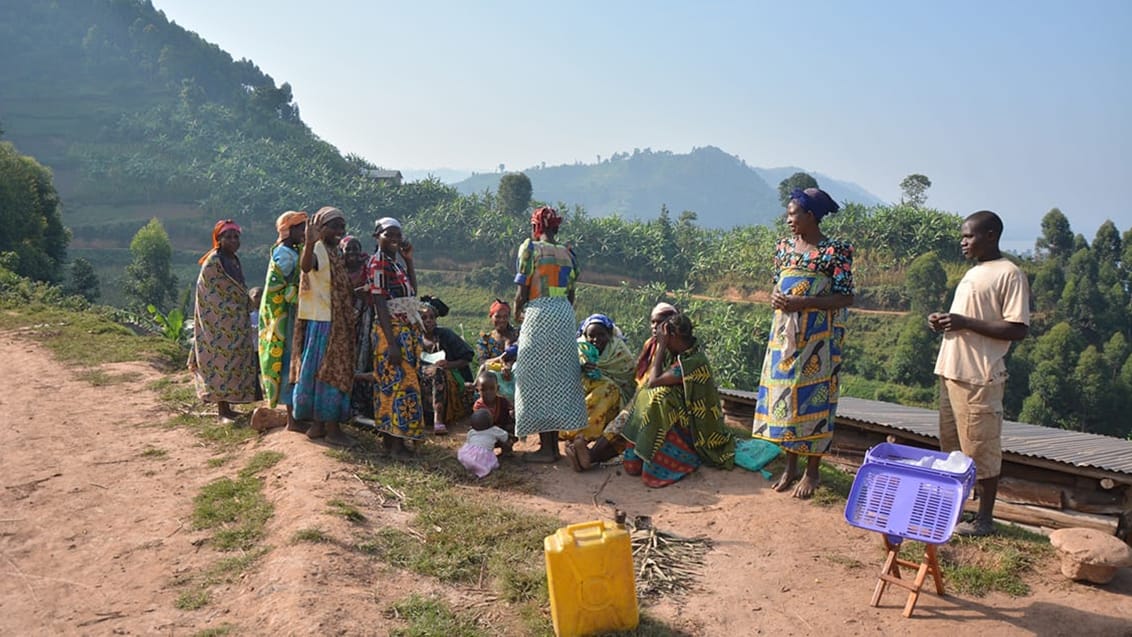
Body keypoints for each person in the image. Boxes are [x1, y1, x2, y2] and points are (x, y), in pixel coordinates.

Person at [929, 210, 1030, 537]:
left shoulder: (1009, 273)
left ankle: (985, 520)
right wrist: (944, 322)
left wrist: (965, 322)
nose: (963, 242)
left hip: (979, 377)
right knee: (954, 449)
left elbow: (1017, 329)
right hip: (952, 371)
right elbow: (967, 318)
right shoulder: (975, 271)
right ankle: (955, 513)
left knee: (981, 450)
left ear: (990, 235)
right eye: (963, 236)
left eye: (969, 236)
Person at [753, 187, 854, 499]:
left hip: (819, 338)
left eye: (793, 214)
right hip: (785, 335)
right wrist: (776, 298)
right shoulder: (784, 248)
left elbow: (846, 296)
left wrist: (804, 303)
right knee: (785, 396)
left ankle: (812, 471)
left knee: (815, 399)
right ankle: (790, 465)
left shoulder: (835, 252)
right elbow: (778, 285)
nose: (788, 220)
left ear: (811, 216)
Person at [620, 314, 735, 487]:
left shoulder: (694, 361)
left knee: (659, 399)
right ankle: (637, 458)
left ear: (672, 337)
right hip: (681, 409)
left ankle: (662, 463)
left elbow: (654, 381)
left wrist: (661, 346)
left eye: (665, 337)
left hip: (696, 422)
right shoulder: (678, 355)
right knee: (645, 394)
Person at [512, 206, 588, 462]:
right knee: (557, 378)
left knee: (534, 377)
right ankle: (551, 446)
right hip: (564, 315)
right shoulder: (568, 253)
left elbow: (522, 289)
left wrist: (516, 312)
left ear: (537, 227)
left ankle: (547, 450)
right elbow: (571, 293)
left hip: (539, 314)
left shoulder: (530, 249)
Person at [566, 302, 678, 471]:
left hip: (667, 400)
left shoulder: (675, 348)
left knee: (625, 419)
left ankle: (590, 456)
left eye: (660, 322)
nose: (655, 327)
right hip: (644, 396)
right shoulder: (651, 344)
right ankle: (589, 456)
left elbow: (654, 381)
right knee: (623, 423)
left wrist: (662, 345)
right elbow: (640, 379)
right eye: (653, 322)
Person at [291, 206, 356, 446]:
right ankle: (331, 428)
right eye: (335, 226)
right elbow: (306, 266)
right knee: (329, 372)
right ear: (321, 227)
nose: (340, 231)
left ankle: (318, 426)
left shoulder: (333, 250)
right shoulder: (318, 249)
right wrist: (309, 243)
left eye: (343, 226)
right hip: (326, 323)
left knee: (319, 372)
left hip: (331, 319)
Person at [188, 219, 259, 423]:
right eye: (228, 237)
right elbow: (212, 296)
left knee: (233, 363)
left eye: (236, 237)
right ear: (219, 239)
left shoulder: (233, 260)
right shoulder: (214, 262)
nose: (233, 240)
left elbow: (236, 290)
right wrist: (239, 306)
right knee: (219, 362)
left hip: (234, 321)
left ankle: (229, 407)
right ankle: (223, 410)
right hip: (216, 322)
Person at [365, 216, 425, 458]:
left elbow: (412, 292)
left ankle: (394, 441)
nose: (394, 239)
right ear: (377, 236)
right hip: (392, 333)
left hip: (404, 331)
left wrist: (409, 260)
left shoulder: (395, 263)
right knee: (397, 386)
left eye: (397, 235)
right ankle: (396, 444)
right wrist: (391, 343)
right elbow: (379, 302)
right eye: (388, 234)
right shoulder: (378, 263)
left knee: (400, 384)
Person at [257, 210, 307, 430]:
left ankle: (296, 416)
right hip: (284, 319)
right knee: (288, 363)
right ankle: (292, 421)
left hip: (290, 315)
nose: (305, 232)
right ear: (290, 230)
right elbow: (286, 287)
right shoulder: (284, 254)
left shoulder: (290, 251)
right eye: (301, 228)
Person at [419, 298, 475, 434]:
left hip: (447, 378)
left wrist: (449, 364)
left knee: (438, 372)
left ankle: (438, 419)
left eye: (432, 317)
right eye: (424, 317)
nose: (428, 321)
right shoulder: (414, 338)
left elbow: (467, 357)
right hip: (422, 378)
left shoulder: (445, 335)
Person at [475, 299, 520, 400]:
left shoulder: (519, 335)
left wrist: (510, 366)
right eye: (498, 316)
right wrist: (500, 361)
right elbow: (483, 362)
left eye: (505, 317)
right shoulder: (485, 341)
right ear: (491, 317)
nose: (502, 320)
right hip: (494, 381)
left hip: (518, 378)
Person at [457, 409, 512, 479]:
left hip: (469, 454)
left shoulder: (471, 432)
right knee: (489, 462)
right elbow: (505, 436)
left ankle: (471, 465)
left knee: (468, 456)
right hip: (483, 455)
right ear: (490, 422)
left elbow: (468, 442)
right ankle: (481, 469)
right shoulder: (494, 430)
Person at [471, 369, 515, 438]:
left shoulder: (503, 401)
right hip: (487, 434)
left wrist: (511, 413)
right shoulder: (478, 406)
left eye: (492, 388)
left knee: (512, 426)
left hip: (503, 431)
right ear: (478, 390)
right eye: (483, 390)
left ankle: (507, 446)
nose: (488, 392)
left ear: (497, 388)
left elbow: (511, 410)